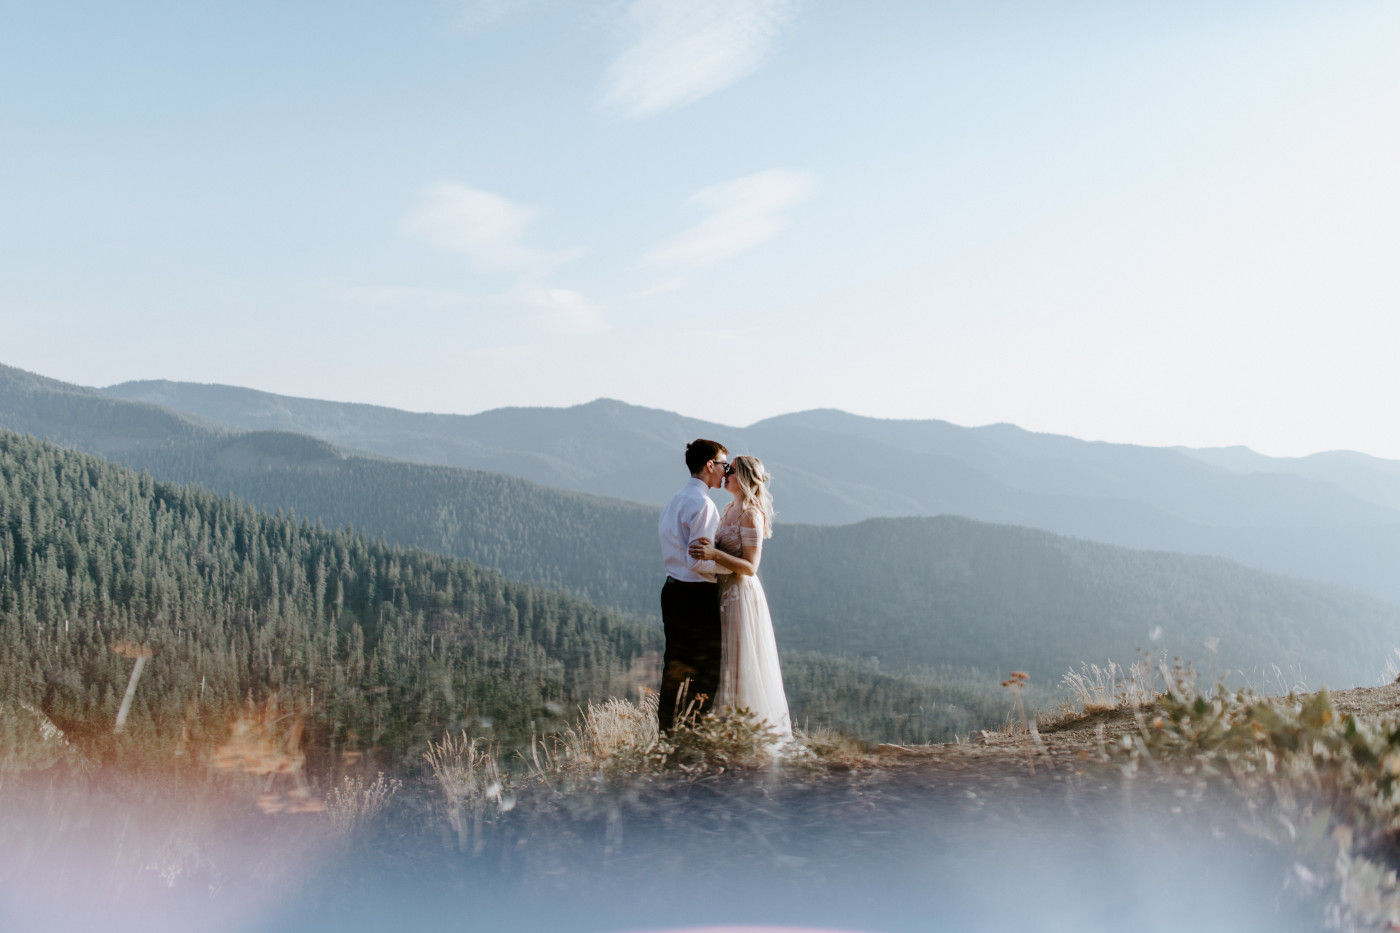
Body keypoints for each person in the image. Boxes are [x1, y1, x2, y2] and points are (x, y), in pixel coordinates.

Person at [688, 455, 791, 742]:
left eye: (731, 470)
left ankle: (747, 736)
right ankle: (724, 733)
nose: (726, 473)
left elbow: (750, 567)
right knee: (724, 663)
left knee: (740, 660)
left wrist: (714, 554)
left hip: (740, 595)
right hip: (722, 591)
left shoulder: (750, 514)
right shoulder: (728, 509)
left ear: (743, 477)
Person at [656, 438, 730, 732]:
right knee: (706, 669)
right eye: (724, 464)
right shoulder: (703, 505)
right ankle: (692, 733)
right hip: (696, 595)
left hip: (672, 590)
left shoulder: (675, 499)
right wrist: (734, 567)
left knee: (674, 666)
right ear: (710, 465)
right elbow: (699, 560)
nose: (725, 471)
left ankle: (666, 733)